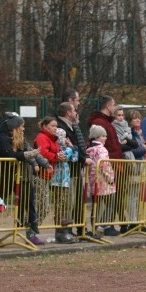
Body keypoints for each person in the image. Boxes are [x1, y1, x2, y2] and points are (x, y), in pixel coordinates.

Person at [0, 112, 47, 246]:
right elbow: (11, 154)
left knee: (28, 198)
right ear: (15, 126)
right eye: (22, 126)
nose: (24, 128)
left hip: (14, 175)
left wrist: (38, 163)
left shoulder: (19, 138)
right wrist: (28, 155)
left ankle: (32, 224)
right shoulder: (1, 138)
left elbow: (27, 152)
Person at [57, 100, 92, 242]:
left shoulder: (72, 125)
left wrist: (81, 155)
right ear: (68, 112)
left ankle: (76, 228)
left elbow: (78, 145)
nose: (76, 111)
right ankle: (64, 231)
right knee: (67, 202)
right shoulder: (61, 127)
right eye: (73, 110)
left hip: (75, 167)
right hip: (67, 170)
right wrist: (82, 157)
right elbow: (69, 148)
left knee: (76, 200)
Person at [85, 125, 117, 237]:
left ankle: (95, 225)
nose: (105, 138)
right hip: (104, 182)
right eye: (103, 136)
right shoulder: (101, 149)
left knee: (96, 205)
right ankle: (102, 224)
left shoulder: (88, 149)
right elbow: (105, 165)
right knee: (110, 203)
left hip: (93, 181)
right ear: (97, 137)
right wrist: (110, 178)